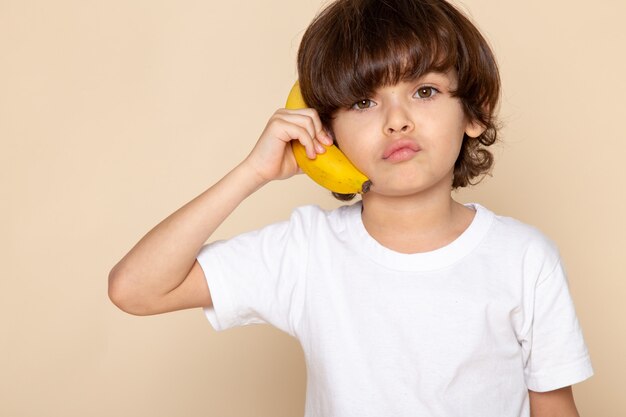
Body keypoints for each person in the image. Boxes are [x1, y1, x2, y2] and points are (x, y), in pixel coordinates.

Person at [108, 0, 594, 415]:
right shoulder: (306, 251)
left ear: (474, 111)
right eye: (364, 102)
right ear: (327, 130)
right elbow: (136, 289)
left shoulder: (525, 258)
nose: (397, 121)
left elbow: (553, 407)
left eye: (424, 91)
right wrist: (250, 173)